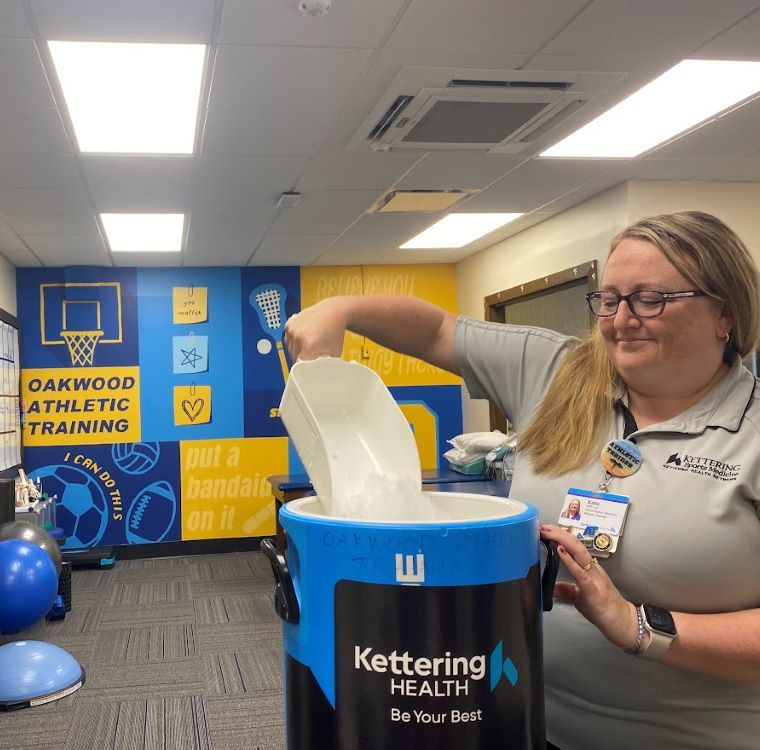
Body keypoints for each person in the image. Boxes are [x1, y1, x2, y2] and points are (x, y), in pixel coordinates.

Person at [283, 210, 760, 750]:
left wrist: (639, 627)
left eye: (651, 299)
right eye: (608, 299)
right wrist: (340, 309)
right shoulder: (556, 370)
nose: (621, 319)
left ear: (725, 311)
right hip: (523, 721)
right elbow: (435, 329)